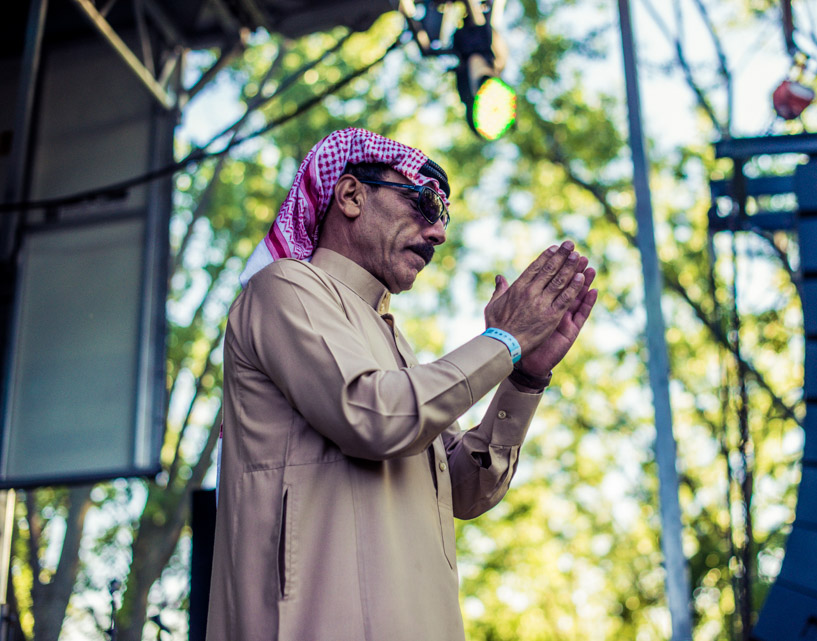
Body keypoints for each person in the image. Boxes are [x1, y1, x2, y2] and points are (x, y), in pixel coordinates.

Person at [206, 127, 598, 641]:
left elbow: (465, 490)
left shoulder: (396, 346)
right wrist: (504, 340)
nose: (438, 233)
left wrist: (523, 377)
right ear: (351, 195)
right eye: (425, 203)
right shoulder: (283, 288)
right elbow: (373, 416)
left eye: (444, 216)